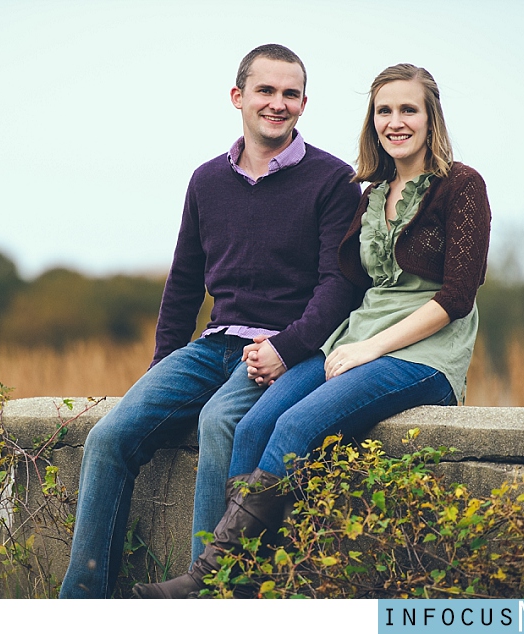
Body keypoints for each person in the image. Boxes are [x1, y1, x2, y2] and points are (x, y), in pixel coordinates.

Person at [133, 62, 492, 599]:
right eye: (384, 110)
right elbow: (331, 276)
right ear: (372, 120)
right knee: (254, 424)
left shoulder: (461, 186)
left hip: (424, 352)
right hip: (355, 339)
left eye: (408, 109)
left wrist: (368, 348)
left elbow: (456, 299)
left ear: (430, 116)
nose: (396, 122)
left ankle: (212, 581)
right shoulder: (369, 192)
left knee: (296, 425)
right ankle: (247, 587)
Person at [58, 44, 362, 599]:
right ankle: (82, 602)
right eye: (265, 91)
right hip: (214, 345)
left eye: (289, 93)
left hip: (283, 351)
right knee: (107, 437)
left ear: (304, 103)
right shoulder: (206, 181)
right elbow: (183, 283)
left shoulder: (333, 181)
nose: (277, 104)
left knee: (219, 422)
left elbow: (337, 285)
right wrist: (162, 366)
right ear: (237, 96)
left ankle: (207, 597)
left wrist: (289, 348)